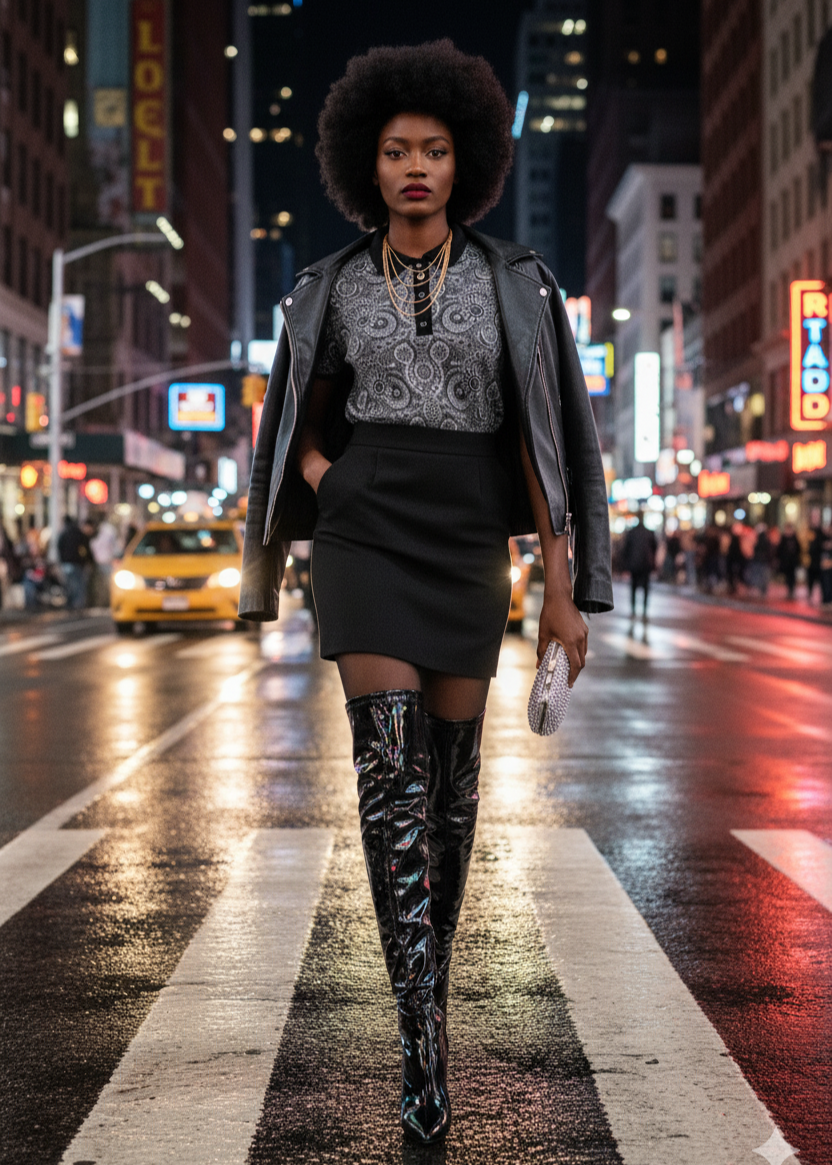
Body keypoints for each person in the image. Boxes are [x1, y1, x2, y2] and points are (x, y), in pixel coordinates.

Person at [239, 41, 612, 1146]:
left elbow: (550, 443)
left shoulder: (517, 282)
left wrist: (559, 589)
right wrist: (330, 480)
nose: (414, 167)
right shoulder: (326, 285)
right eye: (397, 150)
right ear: (367, 161)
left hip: (464, 539)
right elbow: (293, 423)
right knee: (388, 780)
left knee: (450, 799)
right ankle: (420, 1041)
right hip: (364, 537)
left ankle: (426, 991)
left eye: (434, 150)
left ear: (465, 163)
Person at [621, 513, 657, 618]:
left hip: (634, 564)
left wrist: (625, 565)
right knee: (645, 588)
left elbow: (626, 549)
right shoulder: (649, 532)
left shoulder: (631, 532)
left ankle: (633, 610)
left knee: (633, 587)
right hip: (646, 564)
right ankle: (644, 611)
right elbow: (654, 548)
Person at [57, 515, 92, 609]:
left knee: (69, 584)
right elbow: (86, 549)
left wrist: (62, 560)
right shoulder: (79, 534)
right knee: (78, 585)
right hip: (78, 563)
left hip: (66, 563)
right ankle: (77, 605)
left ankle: (70, 603)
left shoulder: (63, 534)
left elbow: (59, 547)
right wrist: (88, 561)